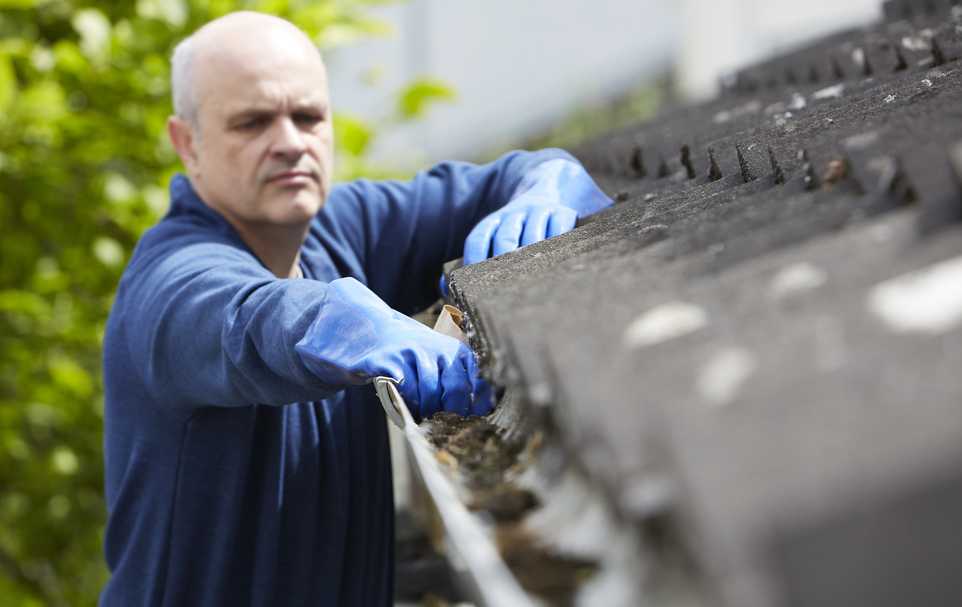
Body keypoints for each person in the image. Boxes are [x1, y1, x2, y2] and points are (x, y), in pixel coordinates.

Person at [100, 11, 612, 606]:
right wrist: (335, 320)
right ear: (188, 143)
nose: (290, 141)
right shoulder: (168, 284)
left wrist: (548, 182)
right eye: (252, 122)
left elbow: (514, 177)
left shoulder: (347, 228)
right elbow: (243, 319)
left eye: (309, 116)